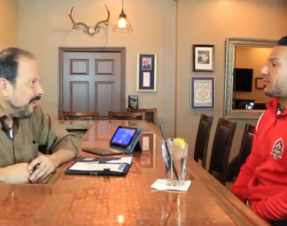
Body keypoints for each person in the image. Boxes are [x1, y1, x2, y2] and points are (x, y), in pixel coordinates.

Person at [0, 47, 81, 184]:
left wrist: (52, 161)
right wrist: (4, 175)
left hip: (30, 201)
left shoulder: (33, 113)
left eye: (38, 81)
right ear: (5, 87)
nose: (40, 90)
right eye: (32, 82)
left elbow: (71, 141)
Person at [231, 35, 287, 226]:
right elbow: (252, 165)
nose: (263, 70)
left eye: (274, 64)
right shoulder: (267, 115)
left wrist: (250, 213)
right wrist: (232, 202)